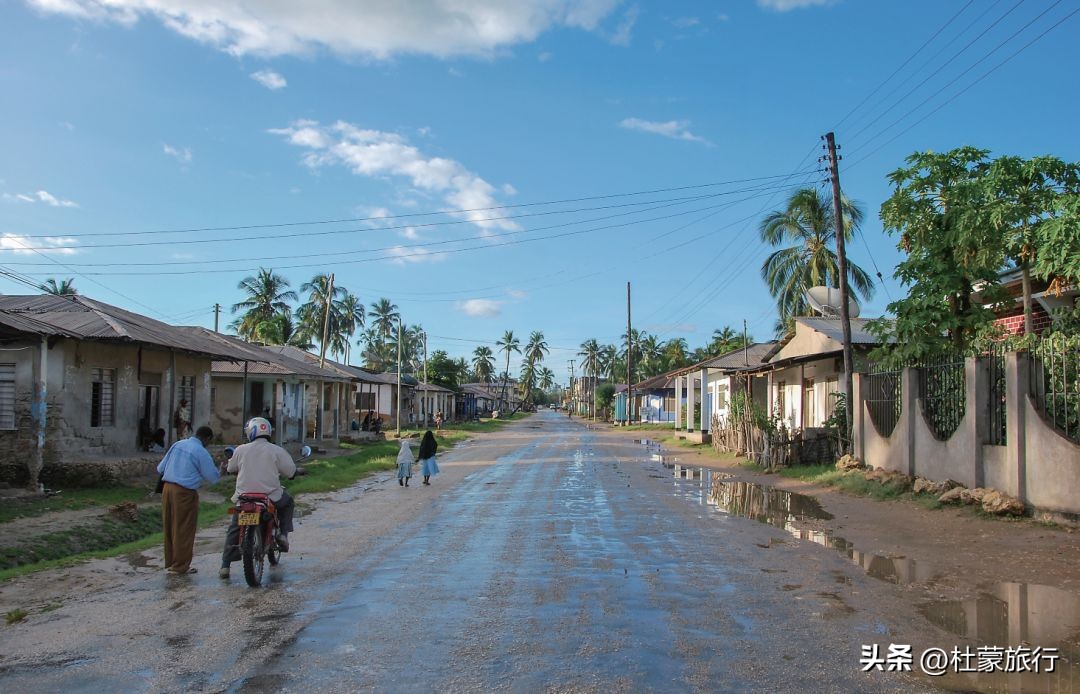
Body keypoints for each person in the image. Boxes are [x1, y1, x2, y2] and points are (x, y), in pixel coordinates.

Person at [219, 417, 298, 580]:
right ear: (268, 432)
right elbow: (290, 471)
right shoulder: (276, 450)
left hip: (245, 498)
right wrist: (296, 472)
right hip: (270, 497)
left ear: (250, 432)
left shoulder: (240, 449)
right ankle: (283, 534)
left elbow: (231, 468)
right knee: (288, 502)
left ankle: (225, 566)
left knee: (234, 526)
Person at [157, 425, 219, 575]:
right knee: (184, 528)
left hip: (167, 489)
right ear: (207, 438)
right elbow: (213, 477)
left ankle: (171, 562)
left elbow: (160, 468)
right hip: (184, 492)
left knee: (170, 526)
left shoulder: (178, 444)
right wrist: (220, 470)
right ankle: (180, 566)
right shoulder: (201, 452)